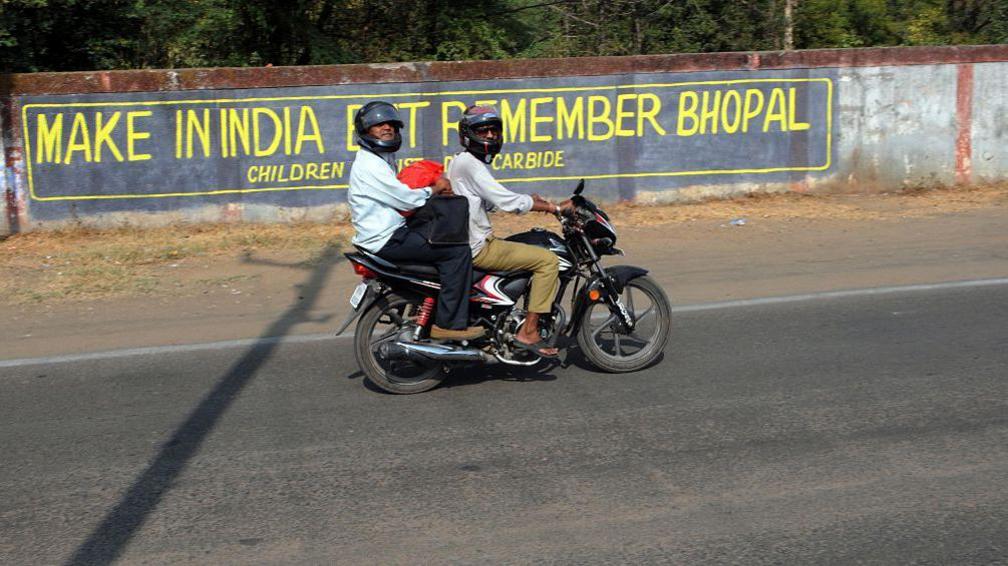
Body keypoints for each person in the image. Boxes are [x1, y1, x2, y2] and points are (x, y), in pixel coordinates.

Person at [348, 101, 483, 341]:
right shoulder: (369, 164)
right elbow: (406, 199)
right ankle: (450, 323)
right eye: (378, 125)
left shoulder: (380, 158)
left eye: (391, 124)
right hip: (387, 239)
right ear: (365, 131)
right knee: (457, 252)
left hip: (390, 231)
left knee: (442, 230)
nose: (387, 128)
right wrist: (436, 188)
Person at [446, 105, 571, 357]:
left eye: (494, 130)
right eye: (483, 130)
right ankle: (529, 331)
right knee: (547, 260)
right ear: (467, 134)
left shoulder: (462, 162)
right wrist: (551, 207)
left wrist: (530, 200)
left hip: (467, 241)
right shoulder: (470, 164)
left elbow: (488, 201)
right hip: (478, 247)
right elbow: (506, 201)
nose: (491, 135)